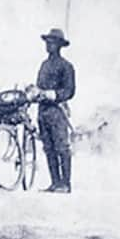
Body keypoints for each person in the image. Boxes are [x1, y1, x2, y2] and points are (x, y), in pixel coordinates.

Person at [26, 28, 76, 193]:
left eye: (52, 42)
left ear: (60, 45)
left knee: (62, 147)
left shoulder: (66, 66)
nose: (48, 45)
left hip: (57, 111)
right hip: (43, 111)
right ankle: (55, 182)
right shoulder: (44, 65)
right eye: (47, 42)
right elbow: (39, 86)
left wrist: (53, 94)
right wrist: (35, 92)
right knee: (48, 147)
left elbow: (69, 91)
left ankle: (65, 184)